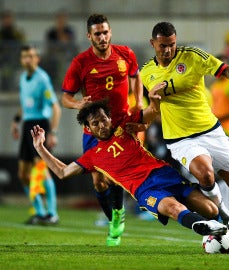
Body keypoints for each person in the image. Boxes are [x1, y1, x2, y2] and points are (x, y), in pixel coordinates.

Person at [140, 22, 229, 254]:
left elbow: (226, 70)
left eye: (171, 45)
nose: (167, 50)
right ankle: (227, 216)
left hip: (210, 131)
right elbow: (151, 110)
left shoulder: (192, 57)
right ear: (153, 44)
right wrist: (151, 102)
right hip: (180, 139)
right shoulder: (146, 73)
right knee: (205, 174)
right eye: (162, 46)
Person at [30, 99, 228, 240]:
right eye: (94, 124)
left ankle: (217, 231)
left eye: (102, 119)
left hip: (165, 175)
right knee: (174, 208)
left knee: (210, 209)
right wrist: (40, 147)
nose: (101, 126)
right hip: (145, 190)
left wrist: (153, 102)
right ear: (89, 129)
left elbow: (150, 114)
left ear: (109, 117)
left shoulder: (125, 126)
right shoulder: (92, 156)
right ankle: (202, 227)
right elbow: (62, 172)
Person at [61, 14, 143, 246]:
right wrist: (79, 103)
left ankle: (118, 214)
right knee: (98, 182)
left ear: (110, 32)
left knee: (113, 176)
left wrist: (138, 102)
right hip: (94, 130)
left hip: (120, 127)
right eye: (97, 33)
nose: (102, 37)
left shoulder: (125, 54)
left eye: (105, 32)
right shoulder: (81, 62)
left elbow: (137, 77)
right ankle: (114, 217)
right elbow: (65, 98)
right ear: (89, 36)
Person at [10, 45, 61, 225]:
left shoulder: (42, 78)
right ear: (21, 60)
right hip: (26, 125)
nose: (28, 59)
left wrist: (52, 132)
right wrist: (16, 121)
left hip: (40, 125)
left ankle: (52, 213)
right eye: (25, 56)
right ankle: (39, 211)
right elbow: (25, 105)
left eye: (31, 56)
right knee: (23, 174)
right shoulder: (24, 78)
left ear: (37, 59)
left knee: (41, 169)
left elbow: (55, 107)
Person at [43, 9, 78, 89]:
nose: (61, 21)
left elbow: (70, 43)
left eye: (62, 19)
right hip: (54, 56)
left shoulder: (69, 31)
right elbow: (50, 45)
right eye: (59, 19)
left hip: (67, 55)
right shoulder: (51, 32)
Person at [0, 10, 25, 91]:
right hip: (3, 59)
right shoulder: (1, 33)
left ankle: (13, 88)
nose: (7, 21)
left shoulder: (17, 33)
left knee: (13, 71)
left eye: (9, 18)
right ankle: (5, 88)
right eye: (5, 19)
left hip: (15, 59)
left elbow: (22, 44)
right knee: (5, 71)